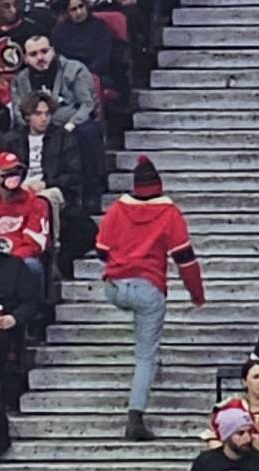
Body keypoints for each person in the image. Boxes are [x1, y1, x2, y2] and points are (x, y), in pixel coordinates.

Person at [95, 156, 205, 441]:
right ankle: (135, 419)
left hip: (115, 285)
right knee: (145, 357)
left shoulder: (118, 209)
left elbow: (102, 249)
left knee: (145, 339)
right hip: (148, 287)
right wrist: (197, 294)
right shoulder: (169, 213)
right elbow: (185, 259)